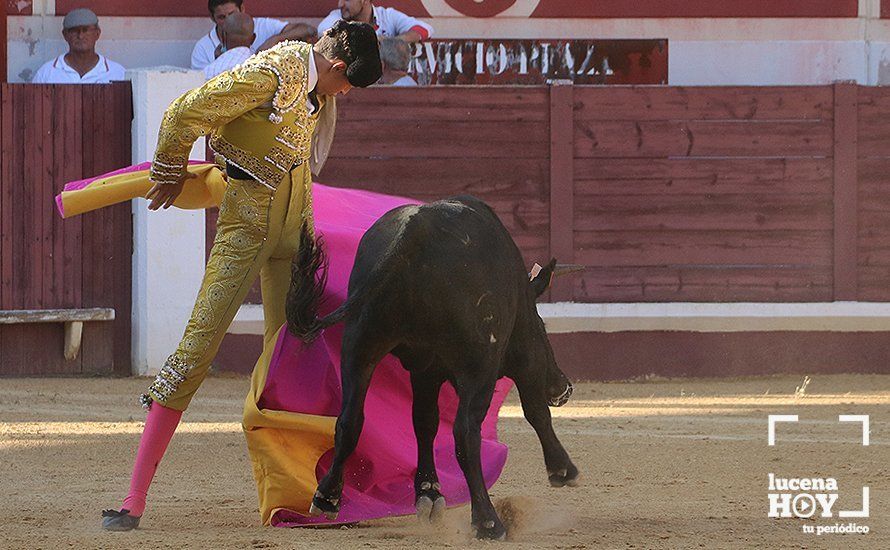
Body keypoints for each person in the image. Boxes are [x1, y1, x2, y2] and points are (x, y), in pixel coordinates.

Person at [100, 20, 382, 532]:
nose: (345, 95)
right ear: (338, 68)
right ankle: (134, 499)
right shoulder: (271, 72)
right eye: (348, 85)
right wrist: (167, 169)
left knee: (296, 355)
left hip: (297, 230)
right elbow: (184, 112)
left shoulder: (318, 90)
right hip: (246, 226)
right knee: (196, 348)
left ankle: (303, 497)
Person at [191, 0, 317, 71]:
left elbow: (308, 30)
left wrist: (274, 40)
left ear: (242, 9)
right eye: (221, 17)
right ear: (212, 18)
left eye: (232, 14)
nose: (229, 21)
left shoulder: (262, 25)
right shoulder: (202, 48)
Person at [31, 8, 125, 84]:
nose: (80, 36)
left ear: (97, 33)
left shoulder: (117, 73)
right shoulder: (46, 73)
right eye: (74, 31)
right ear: (65, 35)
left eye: (85, 30)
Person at [318, 0, 433, 43]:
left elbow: (425, 29)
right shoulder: (337, 16)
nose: (340, 4)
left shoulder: (387, 15)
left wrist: (391, 42)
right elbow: (322, 30)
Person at [203, 11, 255, 80]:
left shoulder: (210, 70)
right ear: (253, 39)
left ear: (223, 36)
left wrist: (218, 61)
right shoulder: (260, 66)